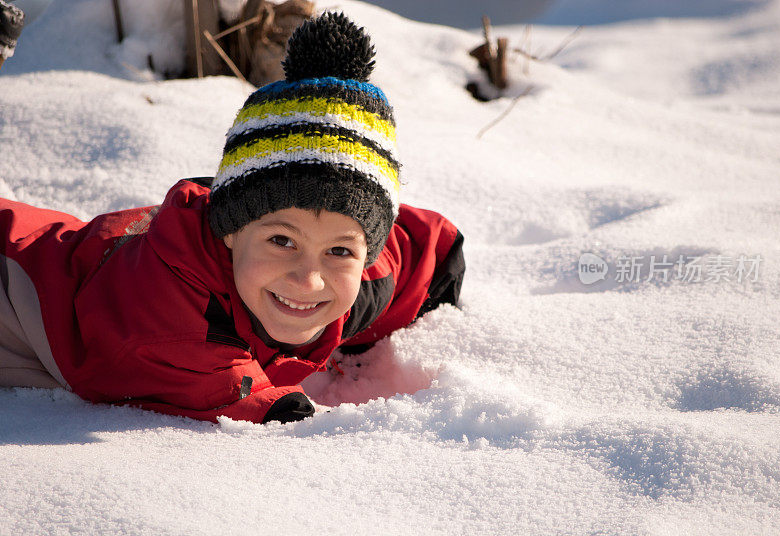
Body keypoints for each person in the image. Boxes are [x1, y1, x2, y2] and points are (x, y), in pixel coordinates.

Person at [0, 12, 464, 424]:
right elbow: (212, 384)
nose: (309, 279)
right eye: (282, 241)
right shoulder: (170, 312)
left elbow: (407, 253)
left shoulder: (354, 279)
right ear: (229, 232)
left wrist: (443, 269)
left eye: (340, 250)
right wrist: (278, 410)